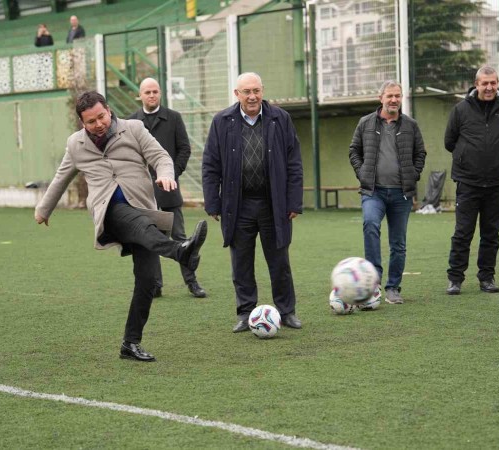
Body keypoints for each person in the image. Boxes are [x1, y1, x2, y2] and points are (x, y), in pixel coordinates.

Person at [34, 91, 207, 362]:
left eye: (101, 117)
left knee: (147, 280)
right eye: (91, 121)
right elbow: (61, 177)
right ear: (82, 122)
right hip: (108, 211)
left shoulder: (134, 128)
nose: (98, 124)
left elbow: (161, 157)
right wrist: (43, 209)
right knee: (135, 222)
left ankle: (130, 343)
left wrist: (165, 175)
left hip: (143, 209)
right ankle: (179, 251)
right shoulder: (76, 144)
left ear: (109, 110)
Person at [202, 72, 303, 332]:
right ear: (236, 94)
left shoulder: (281, 118)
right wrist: (213, 202)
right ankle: (245, 312)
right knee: (241, 263)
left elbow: (294, 162)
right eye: (246, 91)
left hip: (273, 204)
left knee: (279, 262)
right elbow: (211, 164)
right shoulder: (221, 121)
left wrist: (294, 201)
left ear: (262, 91)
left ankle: (287, 311)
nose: (252, 96)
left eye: (256, 90)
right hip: (238, 205)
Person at [444, 66, 499, 295]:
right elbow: (450, 141)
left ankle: (487, 278)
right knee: (462, 233)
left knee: (490, 234)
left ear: (497, 84)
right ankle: (455, 279)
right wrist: (468, 157)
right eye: (485, 83)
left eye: (493, 83)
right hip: (468, 182)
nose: (489, 87)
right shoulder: (461, 110)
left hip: (497, 183)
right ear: (476, 84)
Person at [349, 80, 426, 305]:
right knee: (370, 224)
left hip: (402, 194)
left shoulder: (410, 125)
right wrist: (362, 173)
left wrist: (414, 175)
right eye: (390, 96)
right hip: (374, 191)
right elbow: (354, 150)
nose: (394, 100)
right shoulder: (365, 123)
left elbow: (420, 153)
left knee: (398, 243)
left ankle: (393, 288)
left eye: (397, 96)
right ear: (380, 98)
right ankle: (373, 283)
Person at [128, 78, 206, 299]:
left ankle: (192, 283)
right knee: (150, 239)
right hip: (142, 193)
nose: (152, 95)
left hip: (169, 190)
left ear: (160, 93)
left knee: (180, 238)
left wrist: (171, 174)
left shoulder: (174, 117)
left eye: (155, 91)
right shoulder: (131, 122)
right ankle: (155, 285)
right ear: (140, 95)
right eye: (147, 92)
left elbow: (184, 149)